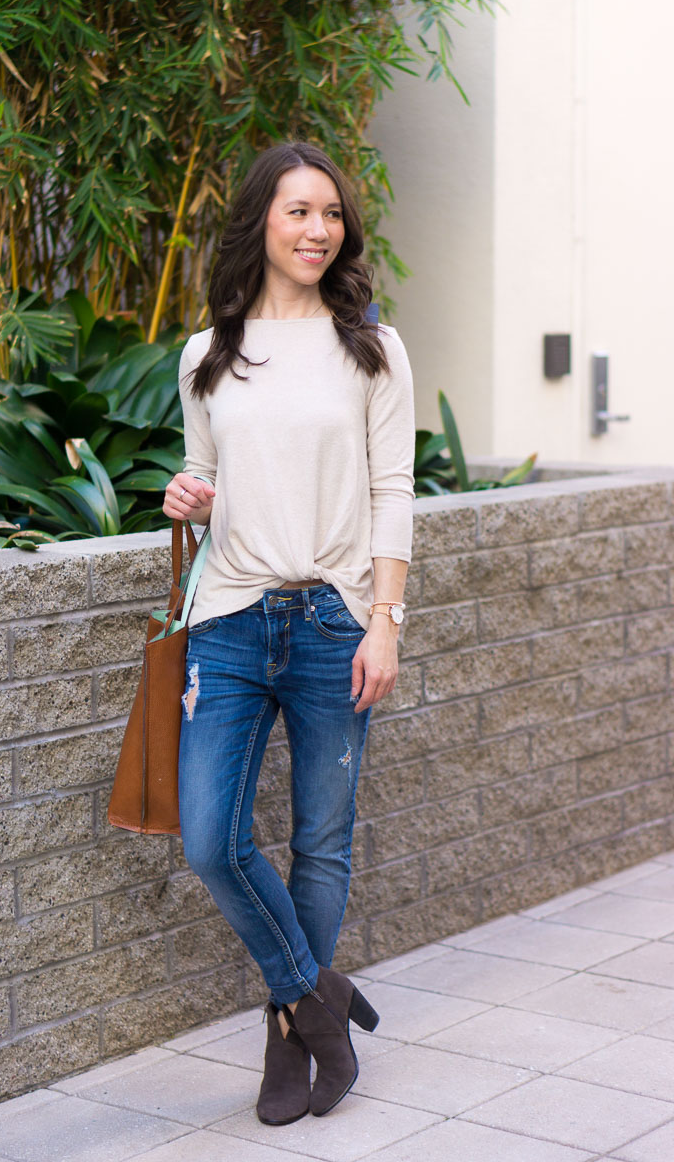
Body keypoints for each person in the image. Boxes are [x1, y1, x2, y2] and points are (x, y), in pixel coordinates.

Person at [162, 140, 415, 1124]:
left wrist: (382, 621)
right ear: (259, 220)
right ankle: (319, 1001)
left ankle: (285, 1039)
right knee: (209, 841)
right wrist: (187, 498)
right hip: (227, 618)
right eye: (296, 211)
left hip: (330, 619)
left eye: (331, 214)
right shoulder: (205, 355)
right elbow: (202, 487)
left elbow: (392, 492)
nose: (317, 229)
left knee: (320, 841)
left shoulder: (370, 348)